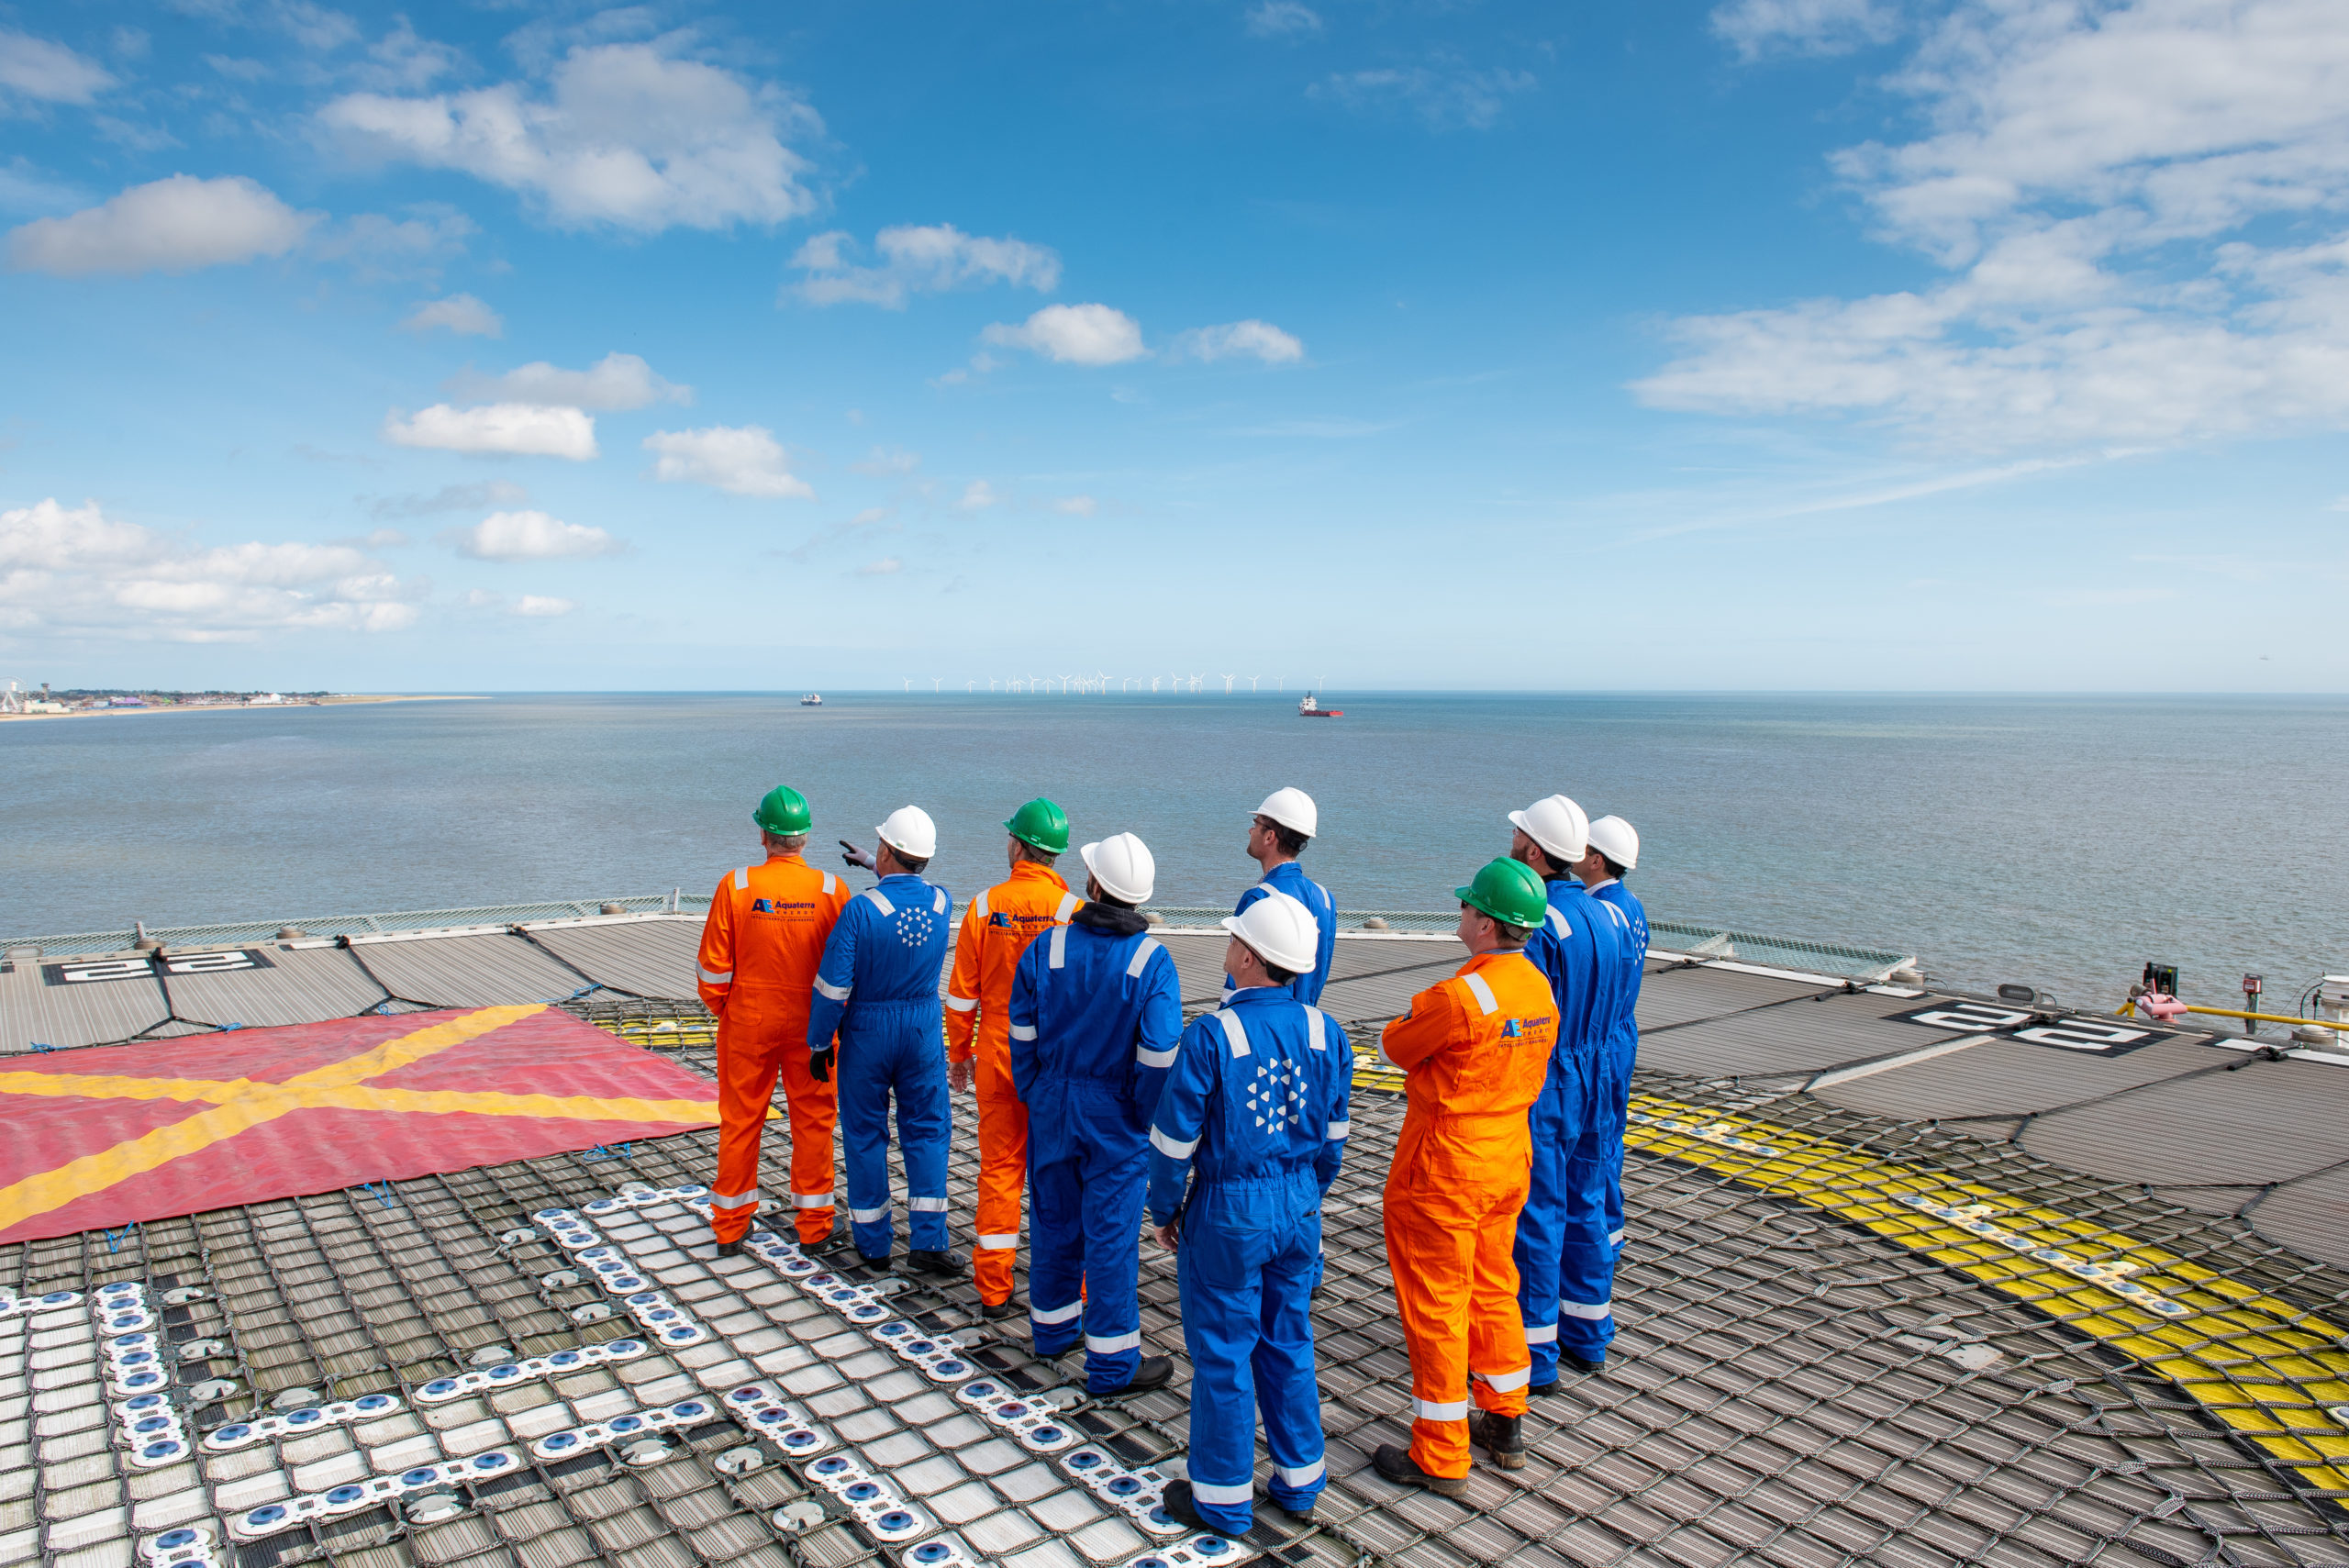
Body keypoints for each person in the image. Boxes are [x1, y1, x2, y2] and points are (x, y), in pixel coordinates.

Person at [1146, 893, 1352, 1538]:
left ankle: (1222, 1498)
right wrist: (1305, 1194)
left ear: (1250, 958)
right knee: (1288, 1339)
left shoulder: (1212, 1034)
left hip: (1230, 1210)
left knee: (1224, 1353)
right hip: (1298, 1205)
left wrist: (1165, 1209)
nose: (1229, 946)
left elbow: (1173, 1141)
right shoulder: (1326, 1031)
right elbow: (1334, 1138)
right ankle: (1301, 1480)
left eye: (1236, 939)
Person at [1373, 858, 1558, 1495]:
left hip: (1446, 1167)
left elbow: (1396, 1046)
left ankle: (1441, 1452)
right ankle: (1504, 1420)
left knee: (1437, 1305)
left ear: (1485, 923)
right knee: (1494, 1286)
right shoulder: (1538, 987)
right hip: (1508, 1157)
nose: (1460, 913)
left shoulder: (1460, 997)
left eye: (1466, 906)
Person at [1007, 831, 1184, 1393]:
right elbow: (1160, 1053)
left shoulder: (1048, 947)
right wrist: (1140, 1114)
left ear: (1094, 884)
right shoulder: (1152, 960)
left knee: (1053, 1220)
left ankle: (1052, 1331)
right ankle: (1111, 1366)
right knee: (1110, 1237)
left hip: (1054, 1104)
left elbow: (1021, 1031)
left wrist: (1037, 1091)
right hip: (1116, 1115)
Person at [696, 786, 855, 1257]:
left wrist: (730, 1010)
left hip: (749, 1023)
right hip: (814, 1028)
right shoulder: (832, 890)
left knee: (741, 1120)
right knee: (814, 1121)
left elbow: (712, 971)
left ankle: (730, 1227)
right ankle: (815, 1227)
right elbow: (846, 968)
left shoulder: (737, 885)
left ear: (763, 835)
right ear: (805, 837)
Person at [1501, 795, 1626, 1391]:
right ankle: (1588, 1332)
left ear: (1533, 850)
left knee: (1539, 1213)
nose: (1511, 843)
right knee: (1589, 1200)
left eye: (1517, 835)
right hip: (1600, 1069)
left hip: (1553, 1079)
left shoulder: (1541, 920)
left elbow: (1524, 1012)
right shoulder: (1609, 914)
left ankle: (1535, 1354)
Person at [807, 806, 962, 1274]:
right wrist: (878, 865)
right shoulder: (942, 903)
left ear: (886, 849)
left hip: (869, 1031)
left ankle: (873, 1245)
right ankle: (929, 1242)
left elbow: (833, 988)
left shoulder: (859, 910)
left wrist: (819, 1042)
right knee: (928, 1130)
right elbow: (907, 893)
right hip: (921, 1030)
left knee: (865, 1134)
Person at [944, 798, 1082, 1318]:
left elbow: (962, 997)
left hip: (999, 1055)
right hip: (1056, 1064)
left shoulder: (984, 907)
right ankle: (1068, 1291)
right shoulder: (1073, 912)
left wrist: (960, 1055)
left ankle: (994, 1289)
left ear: (1019, 846)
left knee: (1000, 1171)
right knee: (1059, 1177)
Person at [1556, 813, 1647, 1369]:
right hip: (1614, 1039)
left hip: (1591, 1044)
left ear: (1595, 858)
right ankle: (1604, 1255)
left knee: (1577, 1176)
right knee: (1603, 1156)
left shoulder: (1598, 913)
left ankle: (1584, 1277)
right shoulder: (1629, 909)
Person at [1221, 787, 1337, 1005]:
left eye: (1256, 823)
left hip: (1256, 1019)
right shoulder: (1325, 898)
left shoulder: (1258, 898)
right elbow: (1318, 972)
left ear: (1269, 836)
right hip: (1305, 1018)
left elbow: (1237, 975)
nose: (1250, 830)